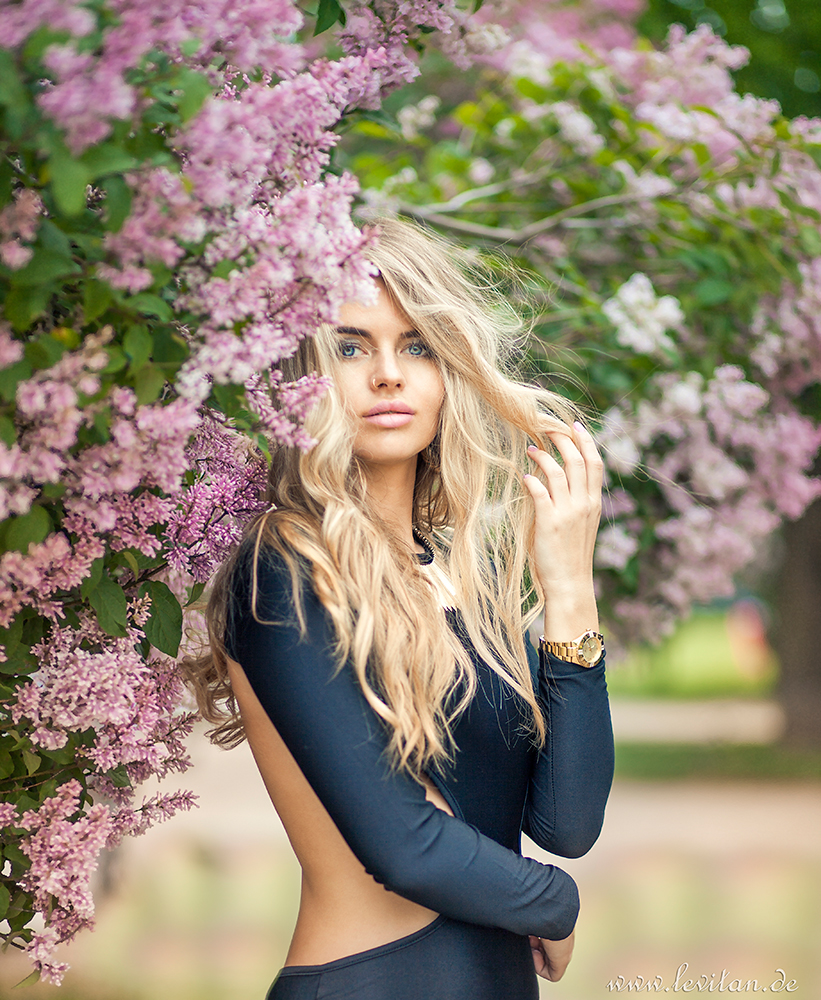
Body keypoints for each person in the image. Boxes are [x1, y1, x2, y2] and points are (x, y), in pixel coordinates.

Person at [186, 218, 614, 1000]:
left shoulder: (462, 581)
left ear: (451, 369)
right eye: (350, 348)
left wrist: (567, 588)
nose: (388, 374)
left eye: (417, 346)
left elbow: (566, 822)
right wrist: (554, 903)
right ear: (300, 378)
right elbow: (405, 847)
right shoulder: (282, 564)